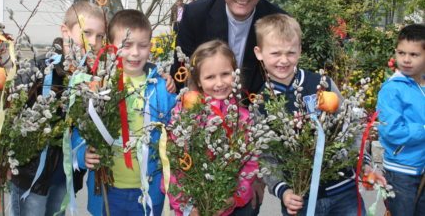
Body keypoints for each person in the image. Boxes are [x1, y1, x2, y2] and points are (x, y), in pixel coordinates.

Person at [253, 14, 384, 216]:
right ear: (259, 53)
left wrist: (364, 164)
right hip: (299, 199)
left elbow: (349, 126)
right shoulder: (261, 104)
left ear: (300, 51)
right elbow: (266, 157)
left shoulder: (322, 84)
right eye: (275, 53)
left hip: (343, 192)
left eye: (290, 52)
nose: (283, 60)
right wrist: (283, 190)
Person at [0, 1, 106, 216]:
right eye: (86, 33)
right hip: (30, 180)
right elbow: (6, 119)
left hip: (64, 179)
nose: (93, 42)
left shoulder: (95, 79)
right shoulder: (39, 71)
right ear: (65, 31)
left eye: (99, 36)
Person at [72, 9, 177, 216]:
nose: (135, 53)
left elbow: (177, 125)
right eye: (127, 45)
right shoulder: (98, 85)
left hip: (149, 190)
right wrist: (82, 153)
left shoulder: (162, 88)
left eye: (143, 45)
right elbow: (79, 127)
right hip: (108, 189)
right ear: (111, 48)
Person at [174, 0, 285, 95]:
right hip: (206, 108)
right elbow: (181, 73)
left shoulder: (277, 21)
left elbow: (284, 74)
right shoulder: (196, 15)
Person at [167, 40, 259, 216]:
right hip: (192, 206)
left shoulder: (242, 118)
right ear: (199, 81)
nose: (219, 83)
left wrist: (235, 197)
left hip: (231, 206)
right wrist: (185, 205)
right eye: (210, 77)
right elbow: (173, 162)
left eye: (225, 74)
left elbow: (251, 162)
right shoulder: (184, 115)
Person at [377, 23, 425, 216]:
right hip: (401, 171)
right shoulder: (392, 89)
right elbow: (392, 130)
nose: (406, 60)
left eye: (414, 55)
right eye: (401, 53)